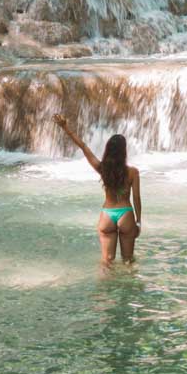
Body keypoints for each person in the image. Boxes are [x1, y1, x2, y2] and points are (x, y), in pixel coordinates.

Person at [53, 114, 142, 266]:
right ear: (124, 152)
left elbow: (83, 146)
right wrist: (138, 222)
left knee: (107, 263)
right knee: (128, 262)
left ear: (108, 150)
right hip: (126, 214)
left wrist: (65, 127)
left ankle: (104, 290)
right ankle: (129, 289)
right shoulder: (133, 172)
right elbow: (137, 199)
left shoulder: (102, 169)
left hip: (107, 215)